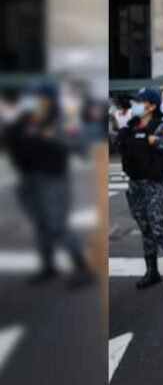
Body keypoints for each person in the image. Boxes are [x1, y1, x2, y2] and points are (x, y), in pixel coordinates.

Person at [2, 83, 94, 288]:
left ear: (49, 100)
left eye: (37, 98)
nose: (32, 102)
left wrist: (54, 136)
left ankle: (82, 268)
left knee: (57, 224)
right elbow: (8, 139)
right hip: (28, 178)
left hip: (53, 179)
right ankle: (48, 266)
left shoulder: (61, 121)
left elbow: (79, 146)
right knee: (40, 223)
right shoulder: (24, 119)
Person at [115, 87, 163, 295]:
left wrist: (156, 142)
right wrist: (120, 136)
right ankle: (152, 270)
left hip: (155, 186)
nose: (135, 105)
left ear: (151, 106)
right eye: (135, 101)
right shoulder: (130, 127)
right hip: (136, 184)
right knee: (146, 229)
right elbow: (122, 149)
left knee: (159, 229)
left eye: (140, 102)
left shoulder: (162, 128)